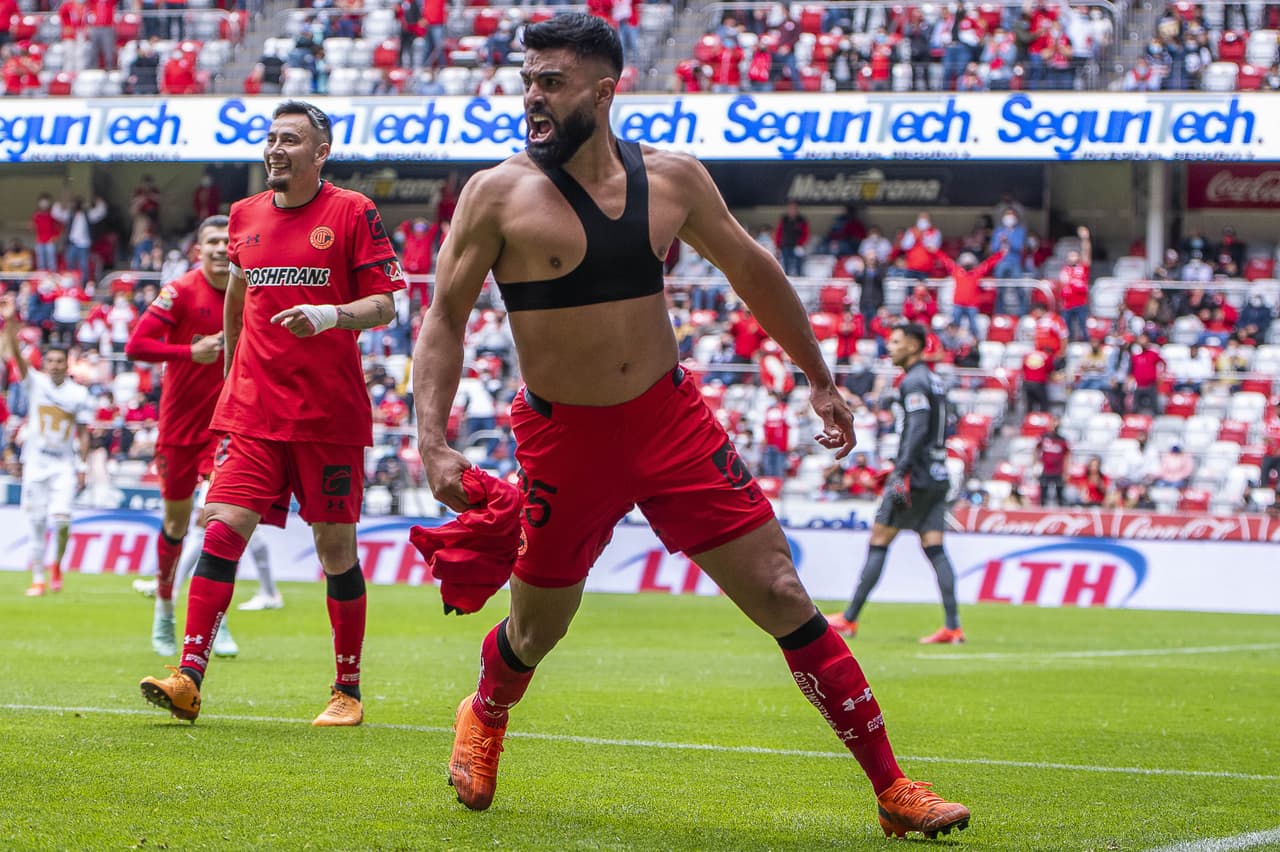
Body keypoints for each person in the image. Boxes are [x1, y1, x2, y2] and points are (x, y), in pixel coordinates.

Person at [412, 16, 968, 837]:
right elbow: (444, 319)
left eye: (551, 81)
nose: (532, 95)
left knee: (782, 591)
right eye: (527, 79)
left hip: (671, 423)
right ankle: (486, 710)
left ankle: (892, 789)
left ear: (604, 92)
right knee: (537, 628)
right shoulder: (496, 194)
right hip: (565, 439)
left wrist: (820, 380)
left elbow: (752, 268)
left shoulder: (672, 179)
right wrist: (431, 438)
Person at [137, 100, 406, 727]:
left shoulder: (352, 212)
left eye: (291, 139)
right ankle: (189, 676)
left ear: (320, 153)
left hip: (327, 417)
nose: (275, 149)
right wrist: (234, 376)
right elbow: (237, 297)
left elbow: (388, 305)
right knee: (221, 529)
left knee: (334, 550)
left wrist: (331, 314)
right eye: (270, 138)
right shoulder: (243, 215)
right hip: (254, 413)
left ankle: (347, 690)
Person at [124, 216, 278, 660]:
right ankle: (164, 608)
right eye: (209, 241)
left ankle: (215, 618)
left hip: (226, 427)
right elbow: (137, 345)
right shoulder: (180, 292)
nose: (216, 249)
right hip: (178, 429)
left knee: (219, 521)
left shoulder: (249, 292)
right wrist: (188, 351)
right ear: (198, 249)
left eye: (222, 242)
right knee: (175, 525)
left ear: (233, 250)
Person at [826, 322, 965, 646]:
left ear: (915, 346)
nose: (890, 347)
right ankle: (953, 627)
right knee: (934, 547)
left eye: (897, 341)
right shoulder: (934, 380)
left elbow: (916, 428)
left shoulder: (913, 381)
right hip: (938, 473)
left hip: (914, 475)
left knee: (879, 538)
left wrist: (900, 470)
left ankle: (849, 618)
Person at [1, 295, 93, 597]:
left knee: (62, 521)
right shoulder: (36, 382)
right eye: (50, 360)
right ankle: (39, 578)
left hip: (63, 464)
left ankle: (57, 564)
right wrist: (12, 321)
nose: (54, 366)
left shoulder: (78, 394)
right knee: (37, 522)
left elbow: (82, 433)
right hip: (36, 462)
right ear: (45, 362)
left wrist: (82, 465)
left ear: (67, 364)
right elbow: (15, 355)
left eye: (59, 361)